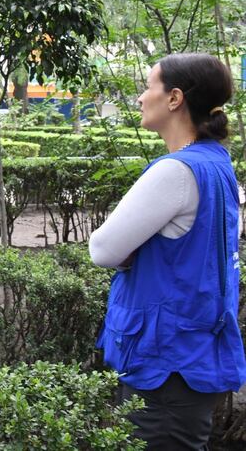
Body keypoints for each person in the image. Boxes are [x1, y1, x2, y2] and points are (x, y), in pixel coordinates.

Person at [89, 53, 246, 449]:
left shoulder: (175, 171)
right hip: (192, 355)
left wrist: (133, 250)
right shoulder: (216, 163)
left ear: (174, 98)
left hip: (166, 364)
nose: (142, 98)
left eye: (149, 86)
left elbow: (103, 249)